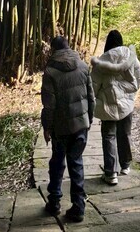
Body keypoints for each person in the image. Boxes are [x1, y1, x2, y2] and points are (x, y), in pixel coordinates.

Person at [41, 35, 95, 223]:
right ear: (69, 47)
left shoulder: (50, 72)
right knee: (76, 163)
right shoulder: (82, 66)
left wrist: (47, 127)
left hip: (61, 127)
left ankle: (54, 202)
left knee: (57, 162)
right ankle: (78, 206)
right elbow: (91, 97)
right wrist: (89, 119)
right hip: (81, 125)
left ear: (54, 51)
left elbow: (49, 106)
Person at [91, 29, 140, 185]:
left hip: (108, 106)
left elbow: (93, 86)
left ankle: (111, 173)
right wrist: (128, 95)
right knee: (125, 133)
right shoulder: (130, 57)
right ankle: (125, 165)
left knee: (109, 136)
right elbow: (138, 79)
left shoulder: (101, 63)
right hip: (127, 104)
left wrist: (98, 99)